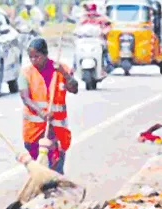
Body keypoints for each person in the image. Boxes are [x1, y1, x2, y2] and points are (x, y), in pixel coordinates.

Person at [18, 38, 78, 175]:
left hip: (57, 129)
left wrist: (63, 73)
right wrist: (42, 113)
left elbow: (74, 89)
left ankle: (56, 189)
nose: (34, 60)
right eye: (31, 57)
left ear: (45, 54)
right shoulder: (25, 73)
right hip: (34, 131)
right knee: (37, 166)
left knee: (56, 166)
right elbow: (25, 98)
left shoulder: (61, 69)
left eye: (37, 56)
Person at [78, 3, 113, 72]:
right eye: (89, 10)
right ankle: (75, 67)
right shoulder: (83, 18)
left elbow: (109, 26)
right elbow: (78, 28)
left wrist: (104, 31)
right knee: (77, 50)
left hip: (98, 39)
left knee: (104, 49)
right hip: (85, 40)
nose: (91, 12)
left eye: (92, 10)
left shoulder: (102, 18)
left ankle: (108, 65)